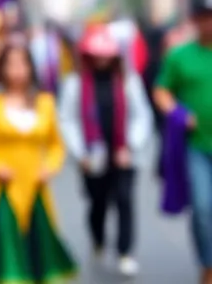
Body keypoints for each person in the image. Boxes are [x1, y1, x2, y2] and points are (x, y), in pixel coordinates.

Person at [0, 43, 76, 284]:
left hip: (34, 186)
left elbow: (56, 145)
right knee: (6, 248)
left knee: (36, 249)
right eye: (11, 64)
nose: (17, 70)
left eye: (22, 64)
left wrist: (49, 167)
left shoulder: (44, 103)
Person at [57, 24, 152, 278]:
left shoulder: (128, 81)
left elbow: (142, 116)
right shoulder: (75, 84)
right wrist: (81, 153)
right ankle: (98, 239)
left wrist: (130, 145)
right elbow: (67, 120)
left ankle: (125, 252)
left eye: (106, 55)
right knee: (97, 203)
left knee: (124, 200)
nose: (101, 60)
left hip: (123, 154)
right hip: (93, 156)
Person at [153, 0, 212, 284]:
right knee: (202, 208)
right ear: (194, 20)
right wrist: (178, 113)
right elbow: (161, 91)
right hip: (196, 145)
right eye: (204, 16)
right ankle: (207, 264)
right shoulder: (180, 56)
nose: (209, 23)